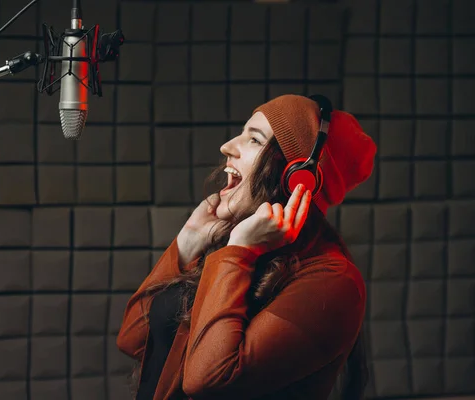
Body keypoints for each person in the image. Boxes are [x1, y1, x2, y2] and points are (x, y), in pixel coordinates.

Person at [116, 94, 377, 400]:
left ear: (297, 177)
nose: (227, 147)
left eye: (254, 140)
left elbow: (208, 379)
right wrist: (188, 241)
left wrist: (240, 250)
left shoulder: (333, 282)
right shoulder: (232, 249)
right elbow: (134, 338)